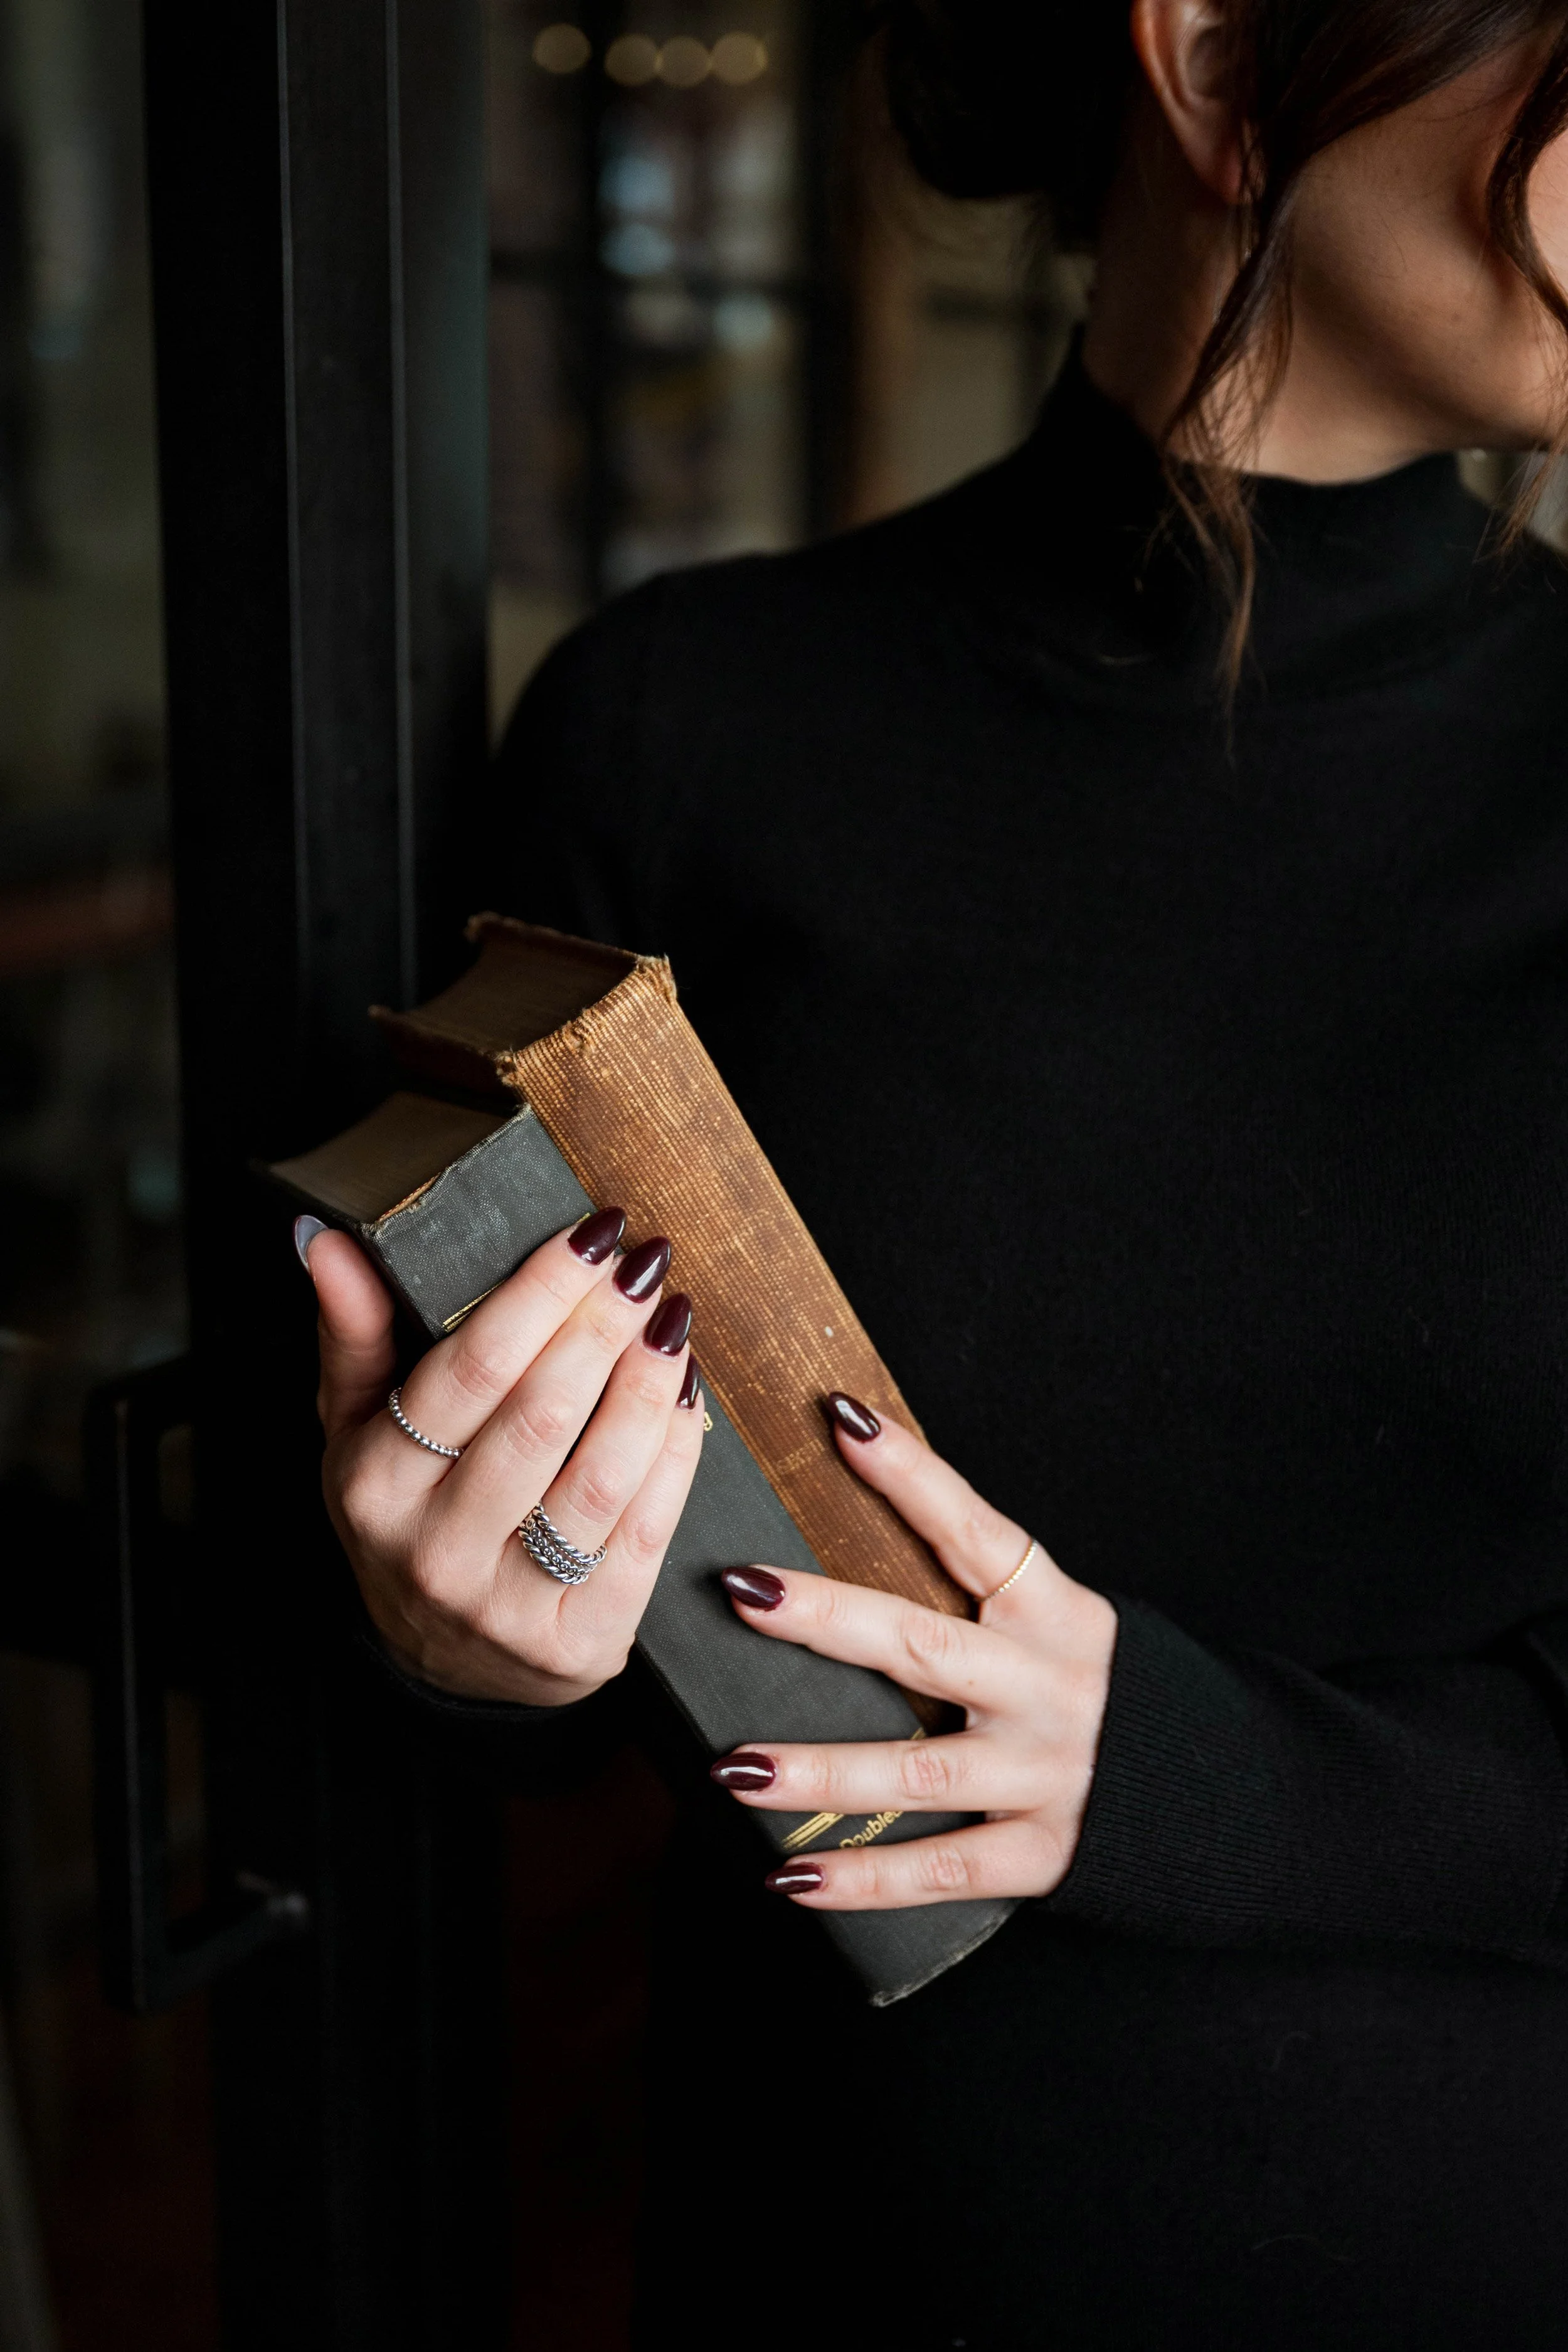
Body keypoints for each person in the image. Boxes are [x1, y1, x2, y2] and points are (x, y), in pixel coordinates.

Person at [294, 2, 1568, 2343]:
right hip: (840, 2256)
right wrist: (457, 1631)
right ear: (1208, 62)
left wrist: (1177, 1769)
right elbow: (527, 1699)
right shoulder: (680, 732)